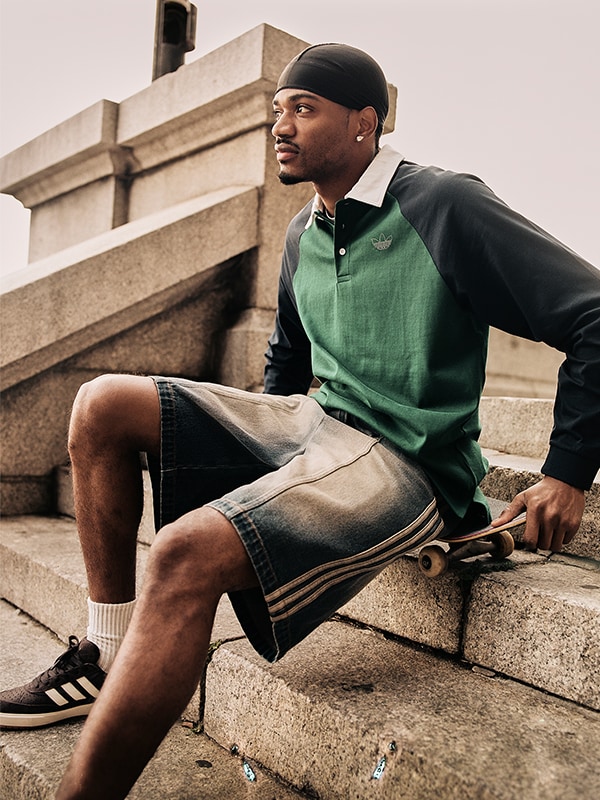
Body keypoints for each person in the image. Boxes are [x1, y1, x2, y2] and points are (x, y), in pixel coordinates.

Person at [1, 43, 599, 799]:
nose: (279, 126)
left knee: (184, 552)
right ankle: (106, 651)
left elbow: (592, 316)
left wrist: (568, 473)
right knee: (102, 403)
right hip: (315, 424)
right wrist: (261, 448)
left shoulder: (444, 205)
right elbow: (285, 367)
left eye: (302, 108)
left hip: (406, 462)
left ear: (364, 124)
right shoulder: (302, 233)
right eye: (276, 110)